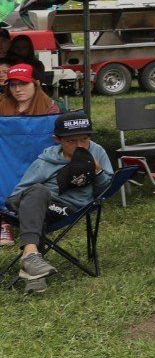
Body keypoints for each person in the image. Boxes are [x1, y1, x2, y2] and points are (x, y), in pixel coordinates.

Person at [4, 111, 114, 285]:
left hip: (69, 208)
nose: (79, 146)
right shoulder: (46, 161)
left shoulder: (96, 151)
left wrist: (98, 171)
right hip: (38, 203)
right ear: (57, 140)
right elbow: (19, 192)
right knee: (38, 192)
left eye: (84, 139)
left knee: (37, 211)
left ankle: (31, 263)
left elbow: (105, 189)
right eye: (71, 141)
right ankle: (32, 258)